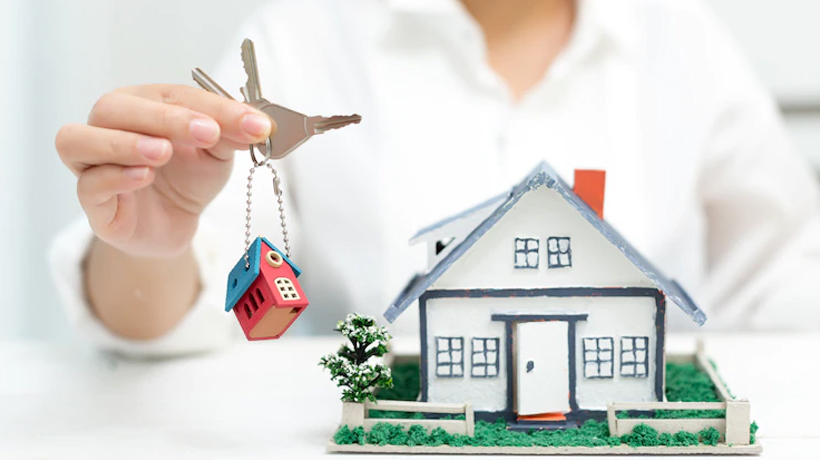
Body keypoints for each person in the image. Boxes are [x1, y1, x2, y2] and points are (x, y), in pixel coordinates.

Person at [52, 0, 820, 357]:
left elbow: (788, 285)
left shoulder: (681, 37)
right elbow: (175, 312)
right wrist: (149, 247)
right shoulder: (303, 33)